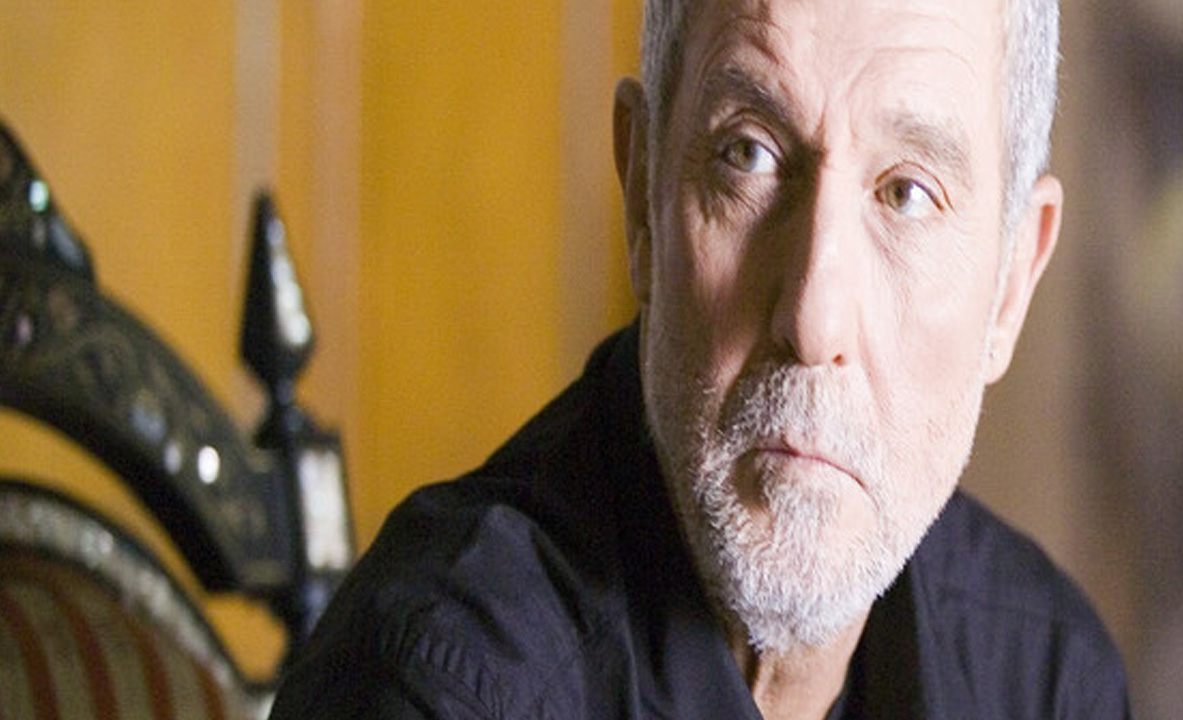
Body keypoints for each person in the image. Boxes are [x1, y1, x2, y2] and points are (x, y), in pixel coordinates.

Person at [269, 0, 1132, 717]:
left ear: (1010, 285)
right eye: (748, 154)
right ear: (644, 196)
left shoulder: (1045, 679)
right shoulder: (439, 688)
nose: (813, 318)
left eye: (908, 194)